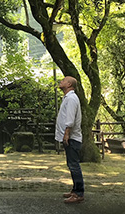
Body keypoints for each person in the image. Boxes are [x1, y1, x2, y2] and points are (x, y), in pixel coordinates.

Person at [55, 76, 84, 204]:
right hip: (69, 137)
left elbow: (70, 119)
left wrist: (67, 134)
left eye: (63, 80)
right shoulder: (68, 98)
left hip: (72, 138)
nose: (61, 81)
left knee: (74, 165)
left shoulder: (72, 98)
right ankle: (75, 190)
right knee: (71, 165)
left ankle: (79, 194)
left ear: (69, 84)